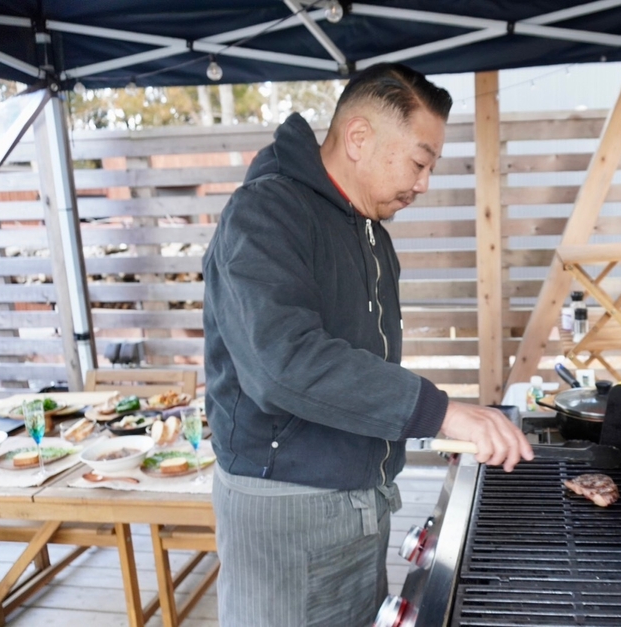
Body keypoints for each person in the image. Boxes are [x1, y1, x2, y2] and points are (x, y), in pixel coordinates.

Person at [202, 62, 534, 627]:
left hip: (360, 503)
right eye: (420, 161)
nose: (424, 182)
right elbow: (282, 363)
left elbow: (359, 368)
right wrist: (441, 413)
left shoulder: (369, 230)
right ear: (359, 138)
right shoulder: (265, 214)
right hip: (287, 514)